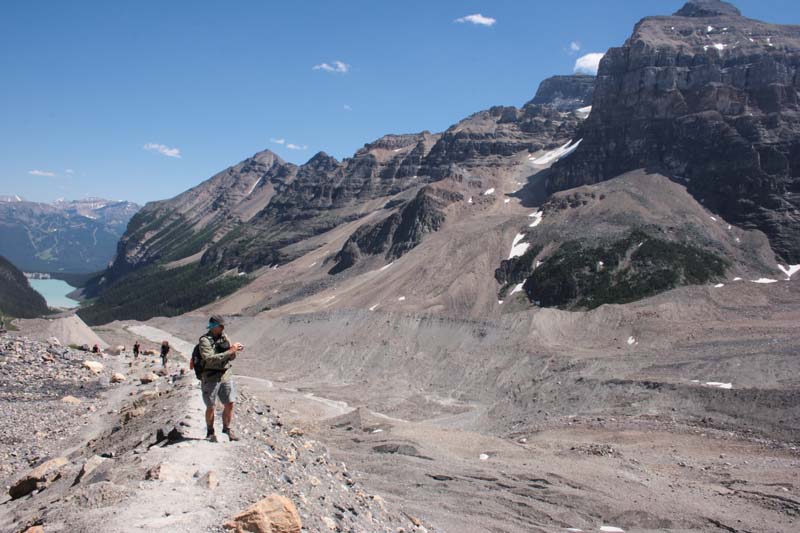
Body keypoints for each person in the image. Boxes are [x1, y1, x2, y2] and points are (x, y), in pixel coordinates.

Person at [198, 316, 243, 442]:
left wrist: (235, 351)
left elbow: (230, 357)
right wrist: (230, 352)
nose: (223, 328)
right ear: (213, 327)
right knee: (211, 406)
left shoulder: (225, 337)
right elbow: (209, 359)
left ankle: (227, 429)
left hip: (225, 375)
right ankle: (210, 432)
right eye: (220, 325)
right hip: (211, 376)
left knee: (229, 403)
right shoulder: (205, 341)